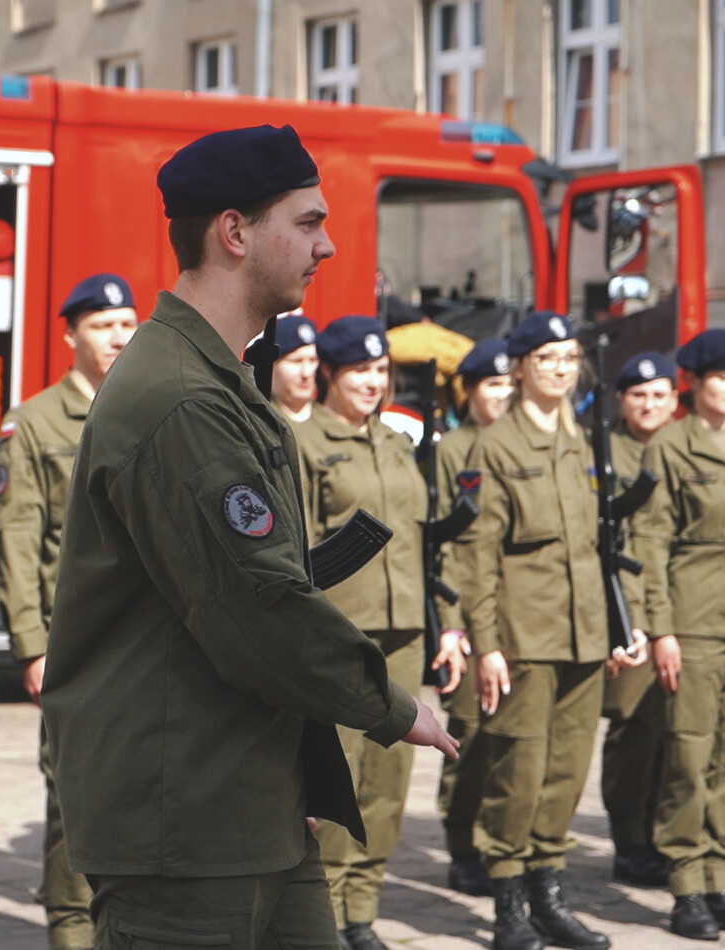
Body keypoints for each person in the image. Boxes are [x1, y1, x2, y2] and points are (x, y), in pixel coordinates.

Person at [42, 124, 458, 948]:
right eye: (306, 223)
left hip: (244, 795)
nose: (326, 245)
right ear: (233, 232)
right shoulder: (182, 399)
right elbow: (258, 610)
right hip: (185, 820)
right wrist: (385, 705)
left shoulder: (216, 380)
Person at [458, 310, 647, 950]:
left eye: (569, 358)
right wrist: (487, 645)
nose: (561, 369)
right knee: (519, 771)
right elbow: (478, 556)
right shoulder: (495, 447)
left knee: (567, 771)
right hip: (524, 636)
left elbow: (604, 548)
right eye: (547, 359)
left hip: (584, 634)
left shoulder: (582, 445)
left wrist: (621, 625)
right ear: (520, 368)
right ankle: (508, 904)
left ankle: (549, 896)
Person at [296, 315, 464, 950]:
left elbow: (429, 544)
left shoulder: (398, 443)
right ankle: (326, 912)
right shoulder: (302, 442)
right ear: (328, 374)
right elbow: (295, 551)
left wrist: (447, 625)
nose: (372, 382)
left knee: (390, 780)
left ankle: (362, 910)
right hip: (341, 634)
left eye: (380, 371)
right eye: (358, 371)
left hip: (405, 630)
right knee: (341, 777)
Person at [0, 272, 138, 950]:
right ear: (69, 335)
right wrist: (31, 644)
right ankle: (71, 931)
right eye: (102, 326)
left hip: (147, 641)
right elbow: (17, 538)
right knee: (74, 798)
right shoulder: (35, 423)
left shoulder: (151, 407)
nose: (118, 337)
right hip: (75, 643)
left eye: (127, 323)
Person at [631, 331, 725, 940]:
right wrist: (661, 629)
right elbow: (651, 543)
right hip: (695, 623)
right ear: (692, 382)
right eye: (722, 377)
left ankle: (723, 879)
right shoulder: (669, 448)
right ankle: (687, 885)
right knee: (690, 754)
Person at [433, 336, 513, 898]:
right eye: (492, 385)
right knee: (471, 732)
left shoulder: (523, 444)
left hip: (518, 612)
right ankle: (463, 847)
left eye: (509, 384)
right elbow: (444, 544)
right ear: (468, 391)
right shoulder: (453, 449)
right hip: (466, 609)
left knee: (514, 736)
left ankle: (503, 842)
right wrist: (452, 623)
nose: (502, 395)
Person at [597, 350, 675, 889]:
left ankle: (665, 835)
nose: (649, 404)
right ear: (622, 401)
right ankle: (630, 842)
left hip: (683, 607)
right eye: (638, 395)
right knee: (634, 732)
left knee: (676, 731)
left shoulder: (683, 450)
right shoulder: (603, 454)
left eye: (659, 395)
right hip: (629, 612)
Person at [269, 312, 319, 421]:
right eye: (296, 361)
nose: (306, 373)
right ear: (273, 365)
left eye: (312, 360)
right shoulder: (258, 420)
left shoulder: (334, 422)